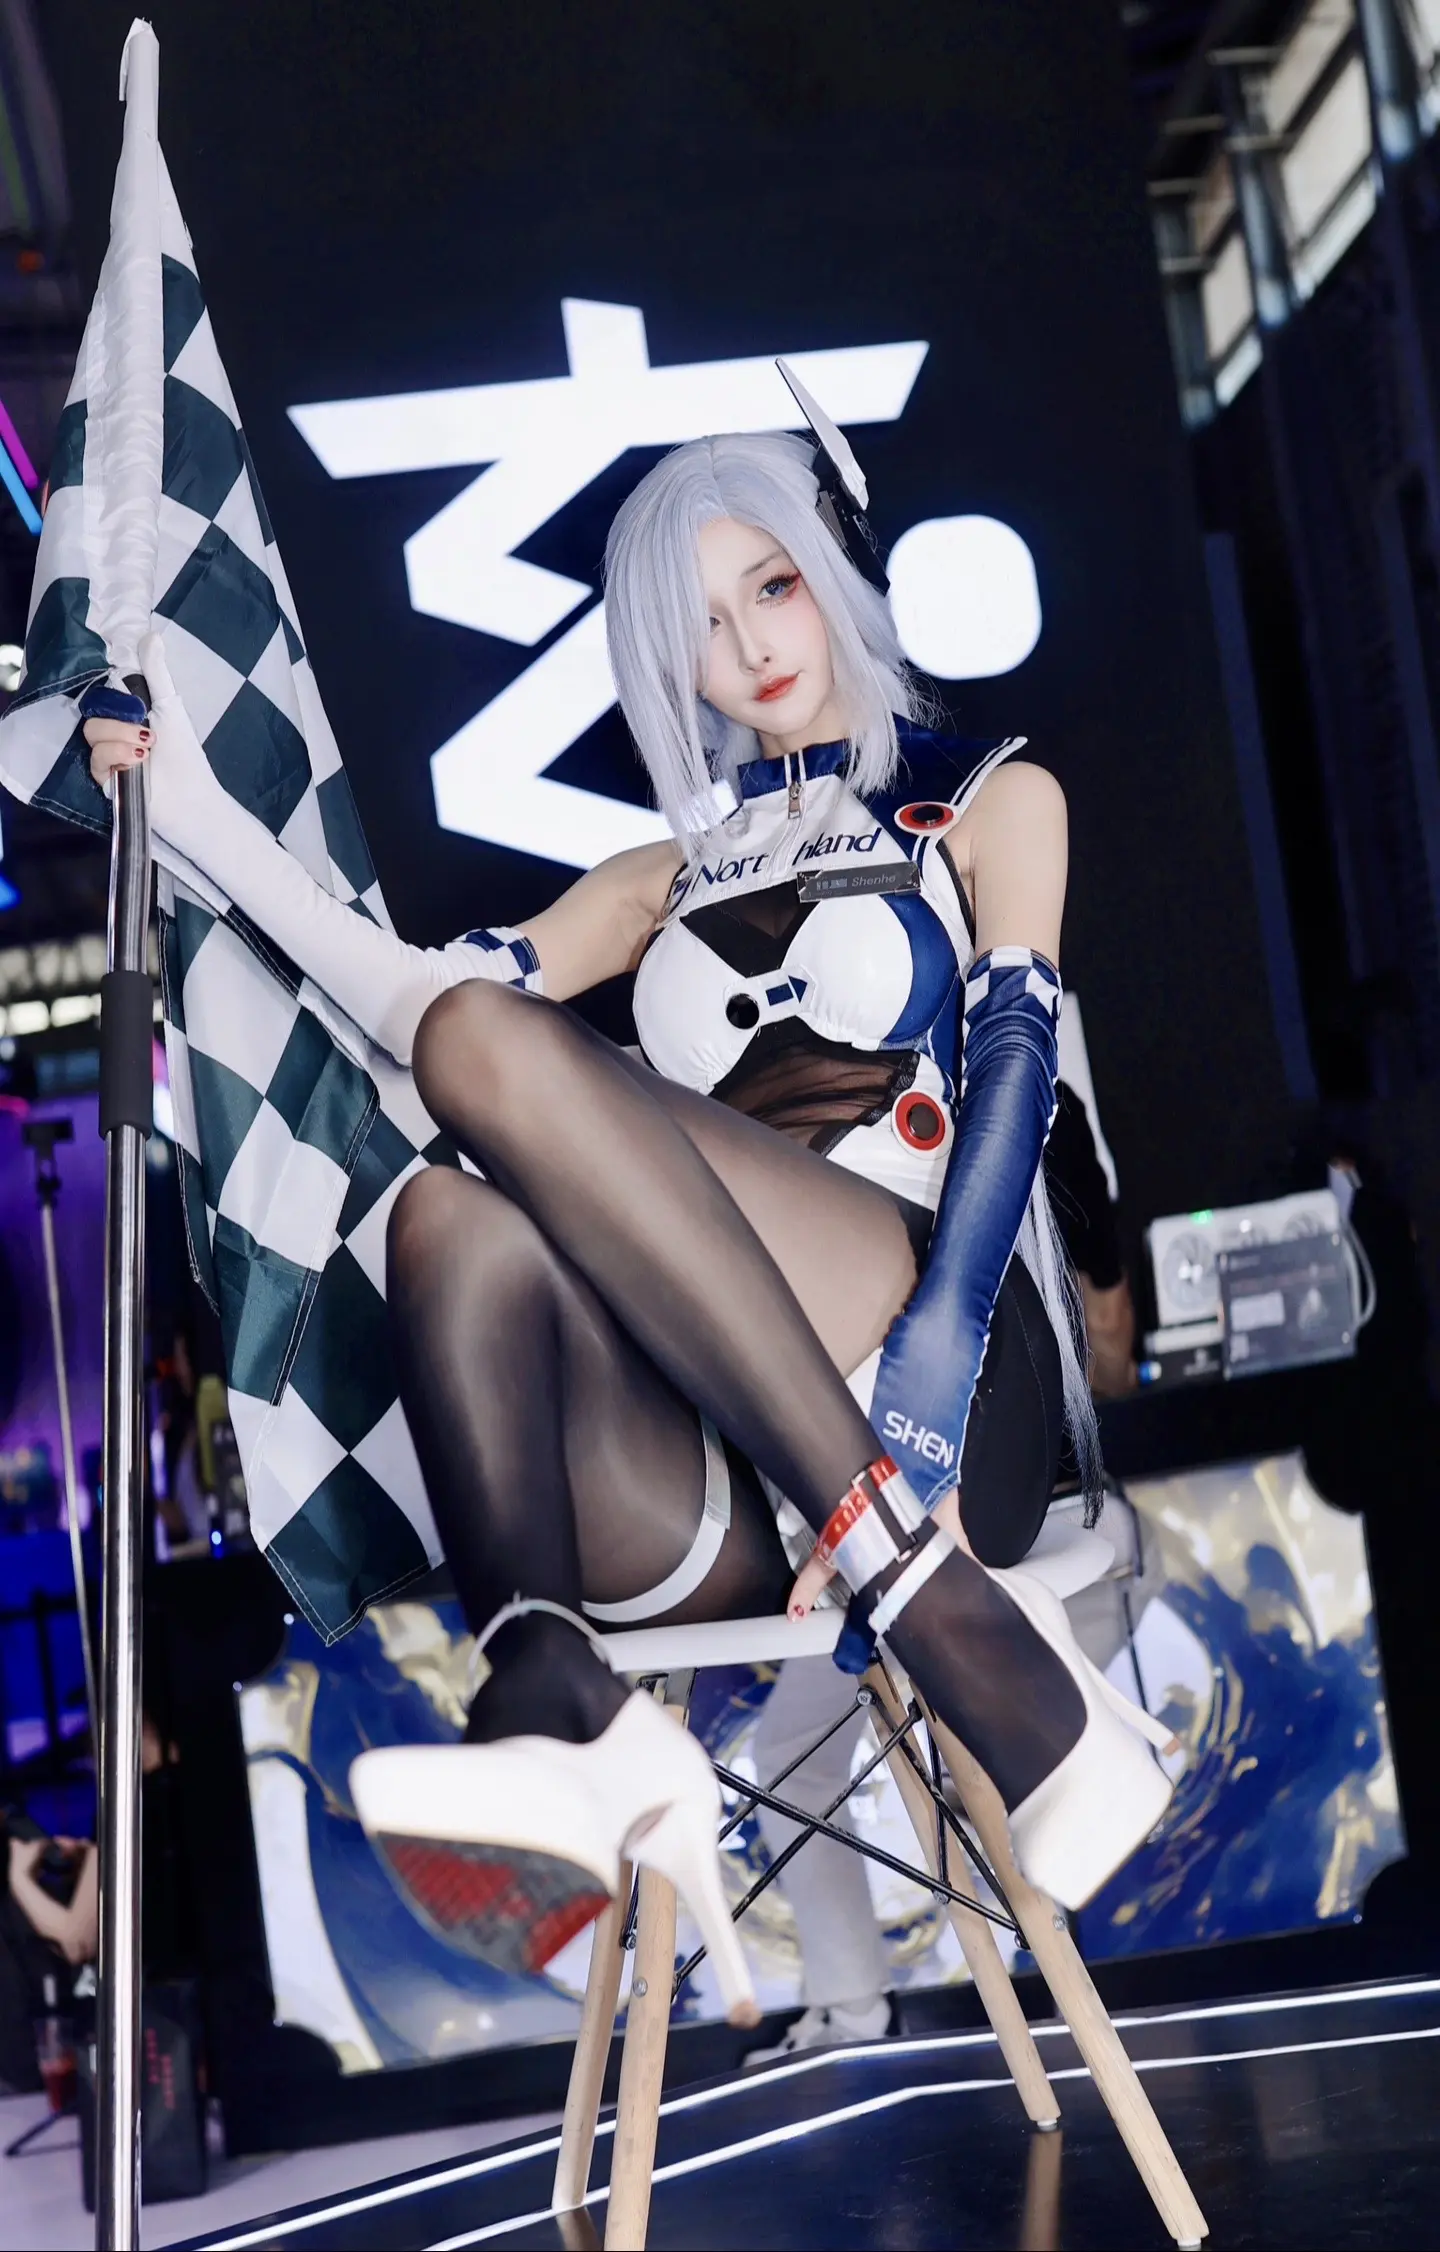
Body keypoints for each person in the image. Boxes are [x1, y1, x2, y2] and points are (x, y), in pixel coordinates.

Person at [83, 406, 1175, 2023]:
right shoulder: (657, 882)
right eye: (703, 629)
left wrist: (932, 1394)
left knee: (478, 1051)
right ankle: (549, 1689)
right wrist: (193, 813)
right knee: (448, 1219)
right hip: (747, 1454)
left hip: (942, 1370)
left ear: (833, 579)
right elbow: (406, 996)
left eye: (771, 590)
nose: (750, 649)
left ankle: (927, 1591)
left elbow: (1014, 1087)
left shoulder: (989, 804)